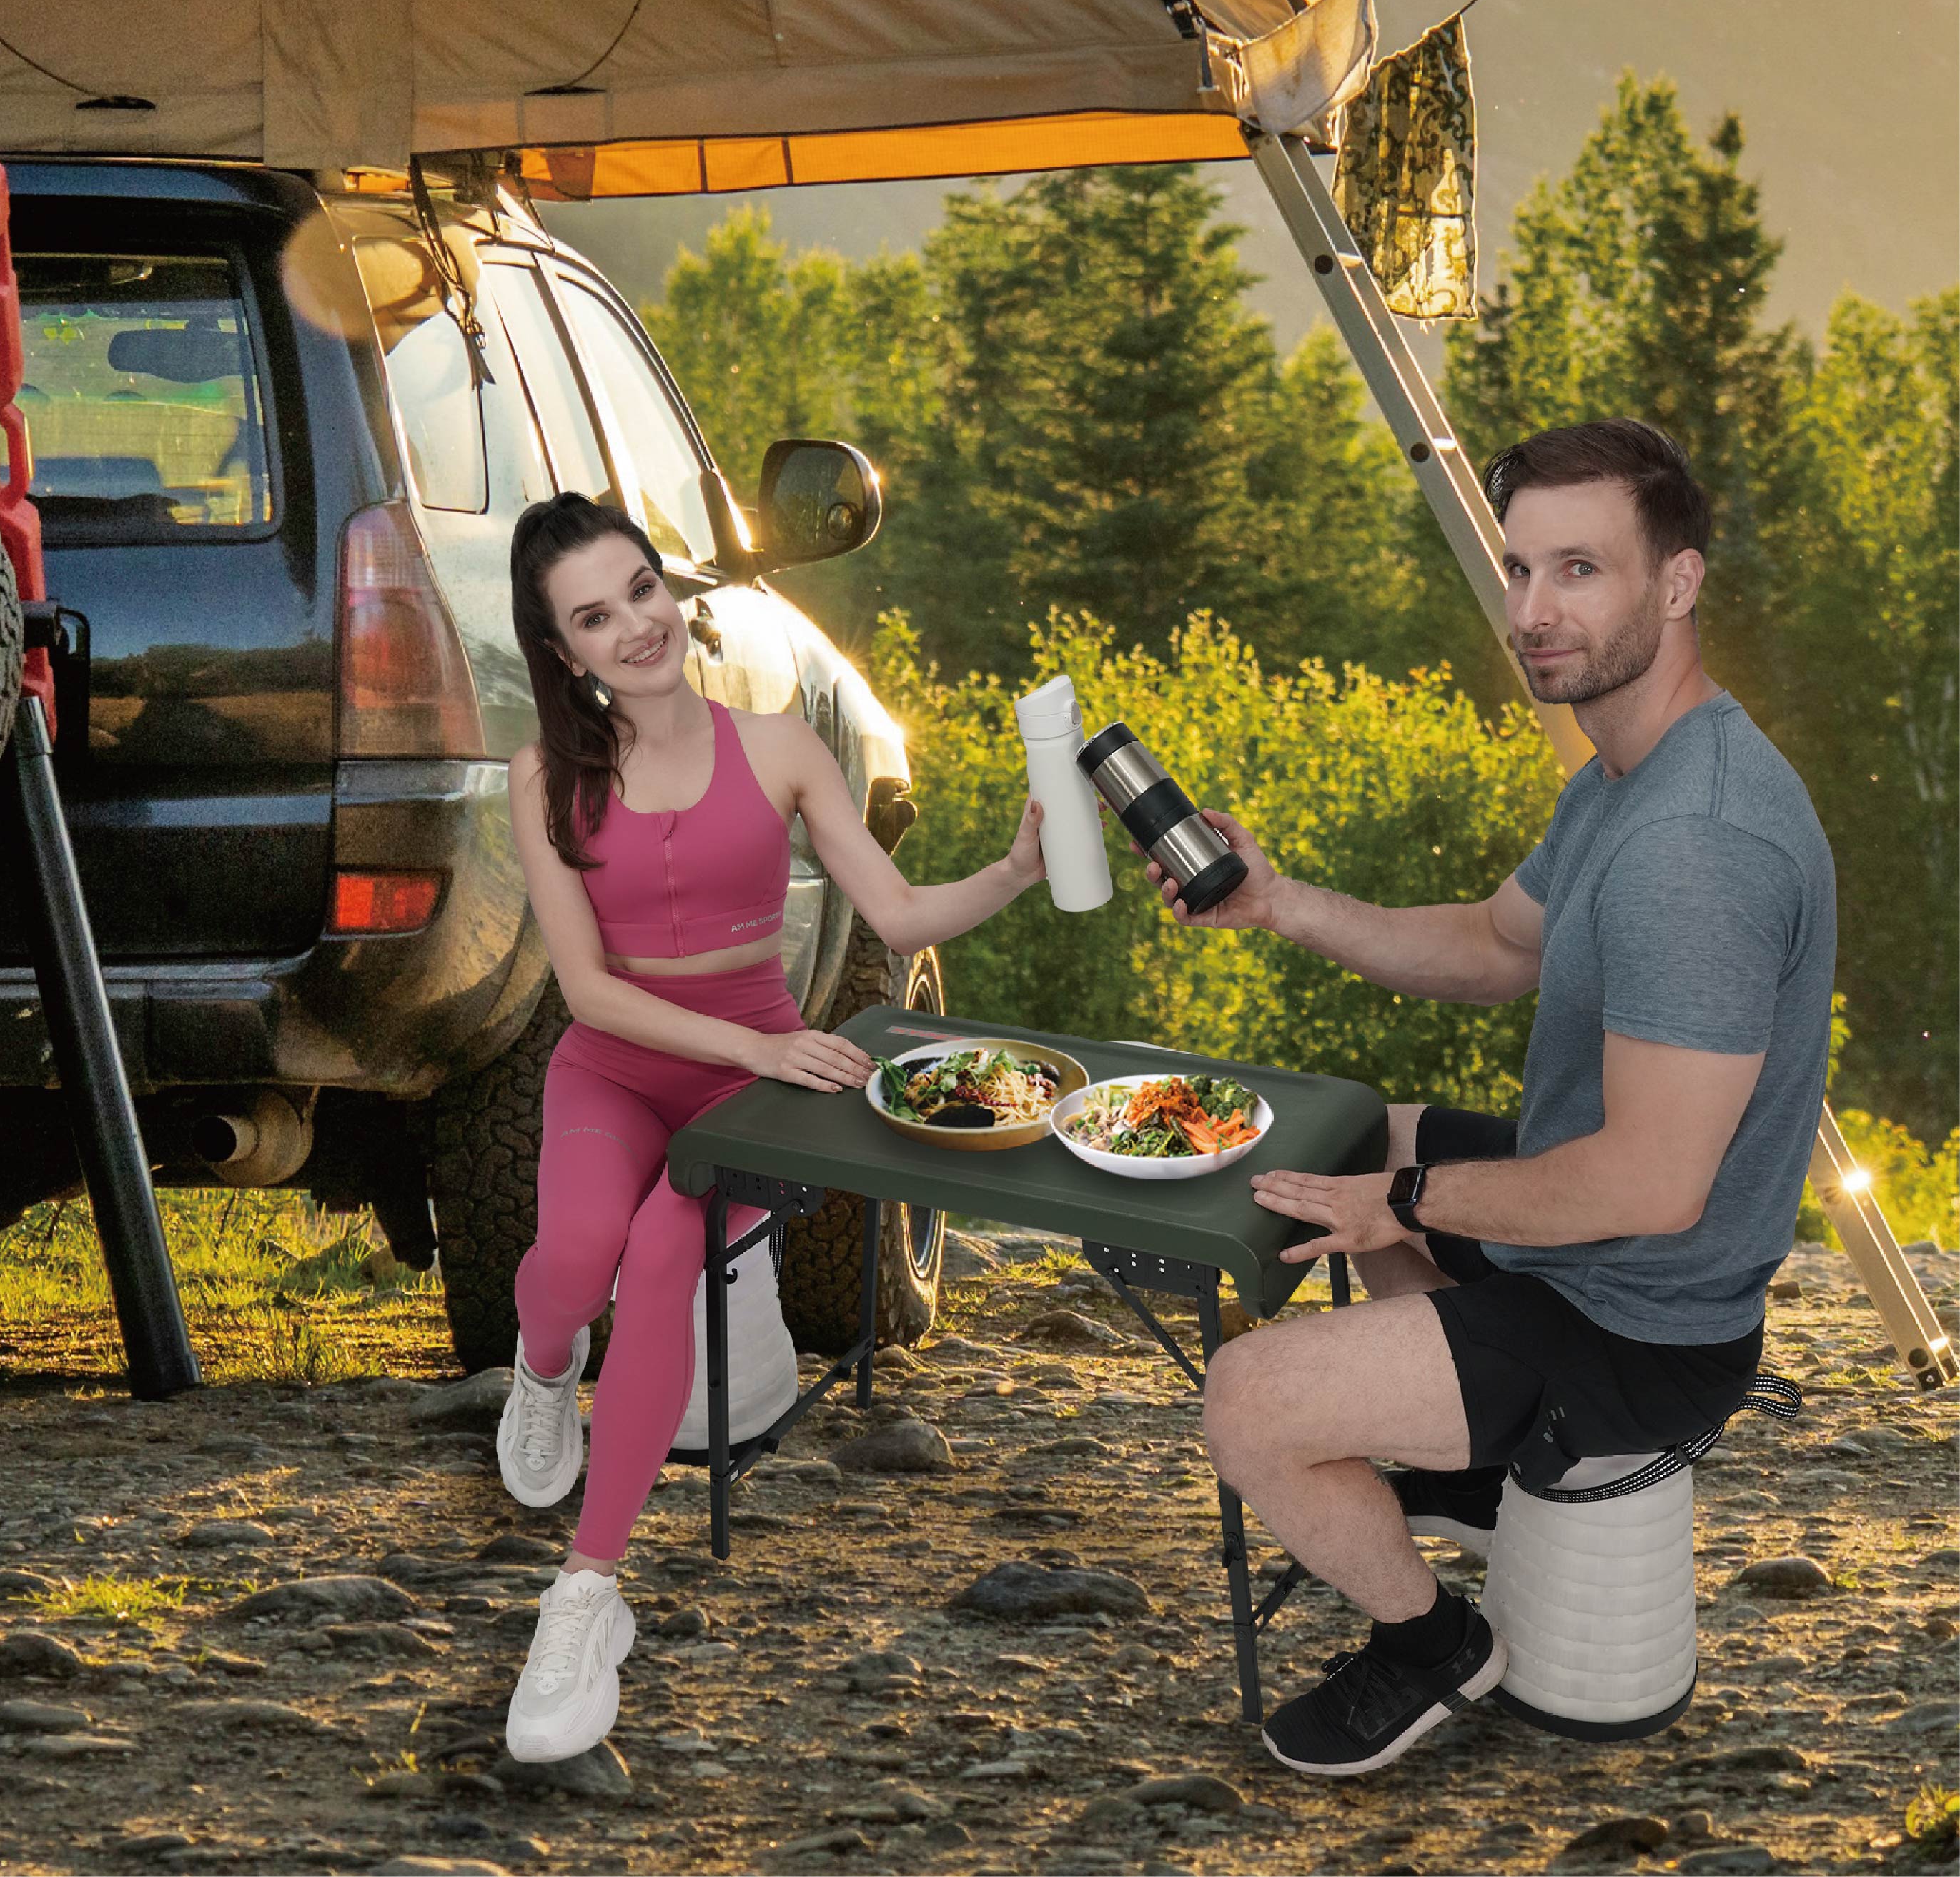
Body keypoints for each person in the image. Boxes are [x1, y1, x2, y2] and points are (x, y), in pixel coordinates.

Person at [1147, 419, 1835, 1780]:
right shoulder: (1629, 778)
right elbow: (1497, 944)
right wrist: (1282, 907)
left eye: (1579, 569)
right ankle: (1468, 1468)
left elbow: (1649, 1185)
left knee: (1246, 1401)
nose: (1532, 611)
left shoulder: (1694, 845)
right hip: (1607, 1248)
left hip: (1645, 1322)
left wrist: (1399, 1204)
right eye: (1521, 570)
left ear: (1678, 584)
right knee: (1370, 1126)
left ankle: (1428, 1649)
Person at [493, 490, 1047, 1764]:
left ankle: (584, 1594)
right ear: (563, 650)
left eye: (641, 590)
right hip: (623, 1068)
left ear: (665, 589)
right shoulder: (547, 783)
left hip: (749, 1090)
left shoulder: (785, 743)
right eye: (595, 616)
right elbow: (585, 991)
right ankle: (541, 1367)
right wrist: (757, 1043)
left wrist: (1015, 870)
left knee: (663, 1259)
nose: (635, 626)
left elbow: (898, 918)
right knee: (576, 1262)